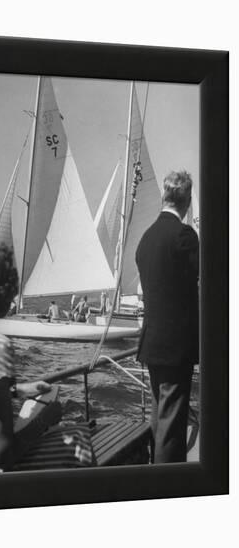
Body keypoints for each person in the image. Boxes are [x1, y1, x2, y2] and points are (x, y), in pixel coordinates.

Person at [0, 244, 92, 475]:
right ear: (3, 293)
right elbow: (2, 455)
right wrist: (44, 421)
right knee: (80, 438)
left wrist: (17, 389)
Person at [135, 171, 199, 463]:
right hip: (177, 348)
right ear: (187, 200)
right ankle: (169, 487)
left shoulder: (146, 239)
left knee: (159, 417)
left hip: (152, 344)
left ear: (164, 196)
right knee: (172, 426)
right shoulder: (185, 236)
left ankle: (153, 478)